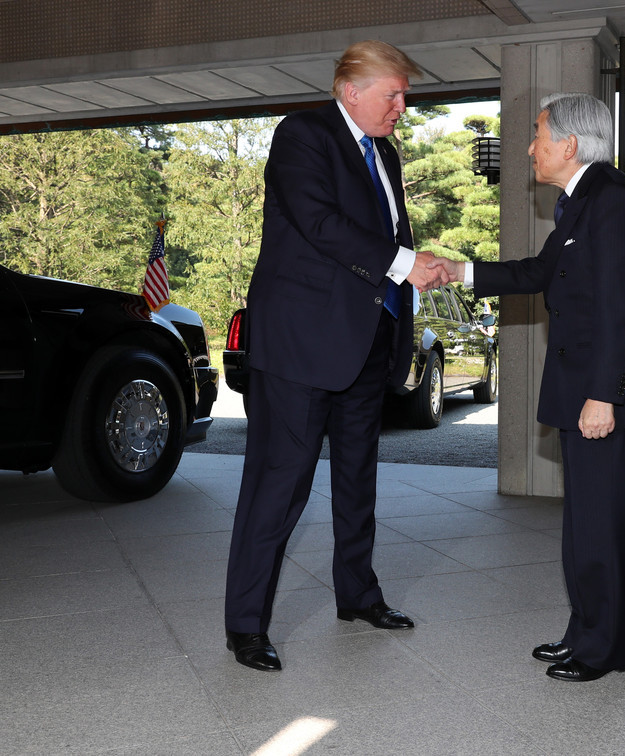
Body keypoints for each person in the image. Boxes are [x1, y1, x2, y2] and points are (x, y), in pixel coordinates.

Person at [223, 40, 448, 671]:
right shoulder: (303, 135)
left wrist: (404, 288)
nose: (401, 106)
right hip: (302, 344)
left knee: (357, 478)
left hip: (367, 341)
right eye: (393, 94)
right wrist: (404, 263)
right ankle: (246, 624)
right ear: (351, 90)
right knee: (279, 484)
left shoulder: (385, 152)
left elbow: (389, 234)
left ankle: (358, 594)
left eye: (404, 96)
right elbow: (319, 223)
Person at [429, 93, 625, 682]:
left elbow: (618, 308)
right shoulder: (580, 200)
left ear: (570, 144)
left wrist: (605, 395)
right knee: (583, 523)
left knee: (603, 526)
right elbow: (539, 271)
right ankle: (585, 633)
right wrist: (459, 271)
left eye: (538, 134)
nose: (530, 148)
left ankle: (605, 650)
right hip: (579, 386)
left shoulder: (613, 199)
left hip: (601, 392)